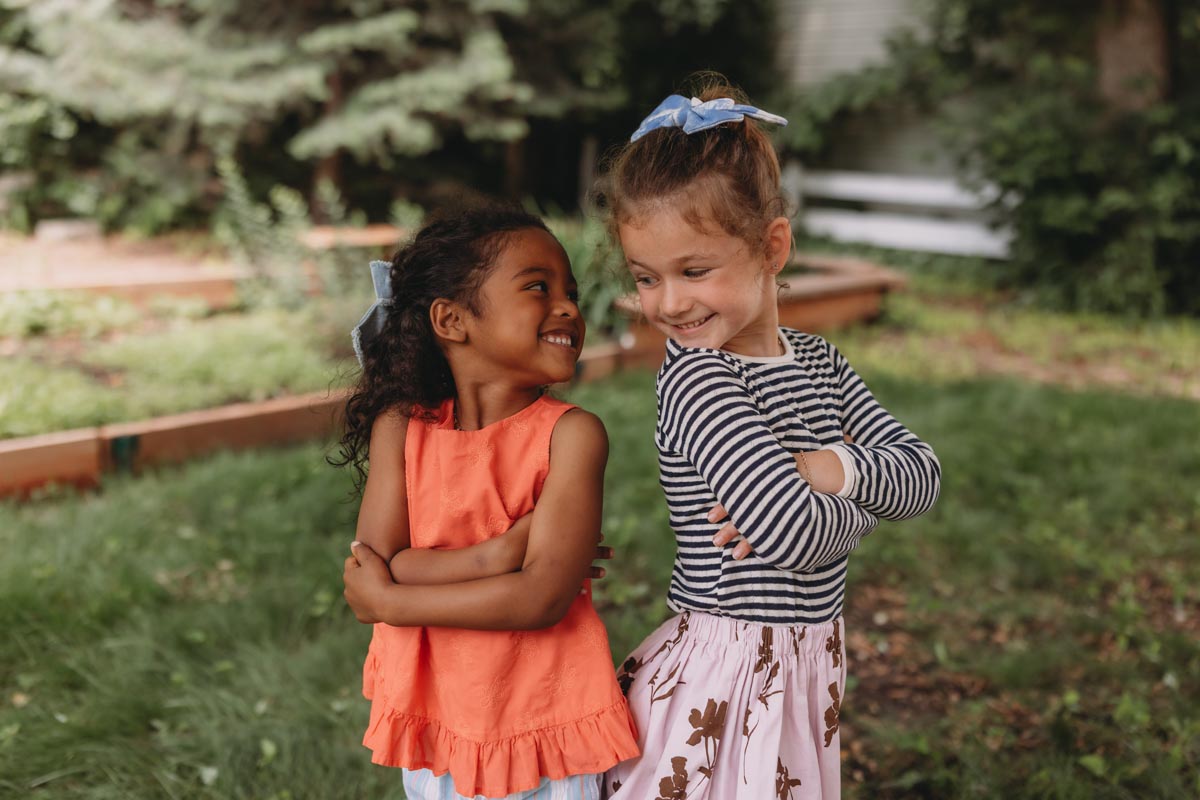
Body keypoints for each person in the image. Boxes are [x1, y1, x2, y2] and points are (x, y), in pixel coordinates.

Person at [598, 82, 943, 798]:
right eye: (646, 279)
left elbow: (925, 474)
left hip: (803, 662)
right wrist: (865, 497)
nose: (669, 302)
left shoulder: (821, 362)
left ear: (772, 248)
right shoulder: (700, 381)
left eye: (694, 271)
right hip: (731, 676)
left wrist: (826, 467)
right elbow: (795, 539)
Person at [335, 207, 639, 800]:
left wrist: (395, 598)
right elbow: (376, 561)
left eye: (570, 291)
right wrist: (500, 553)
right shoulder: (402, 426)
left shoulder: (571, 435)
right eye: (537, 287)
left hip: (541, 723)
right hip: (434, 720)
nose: (569, 307)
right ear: (451, 320)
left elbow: (540, 598)